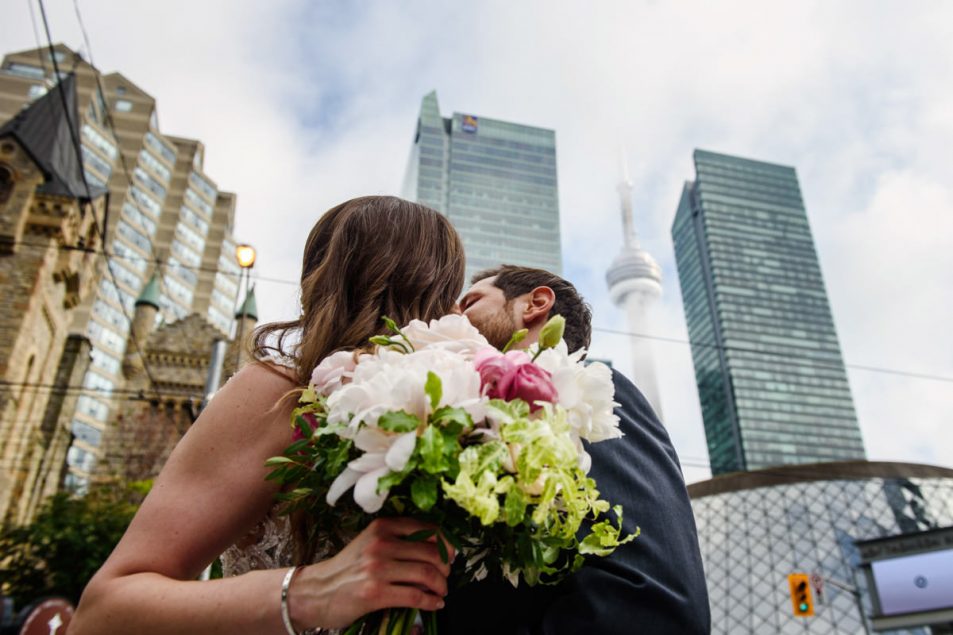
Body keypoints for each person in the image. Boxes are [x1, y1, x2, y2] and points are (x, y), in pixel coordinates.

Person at [71, 196, 464, 635]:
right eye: (452, 292)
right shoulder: (279, 396)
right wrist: (309, 593)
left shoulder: (464, 418)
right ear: (433, 288)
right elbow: (102, 612)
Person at [446, 264, 711, 634]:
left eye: (470, 301)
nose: (453, 315)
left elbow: (649, 603)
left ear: (535, 304)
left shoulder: (591, 395)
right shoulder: (464, 423)